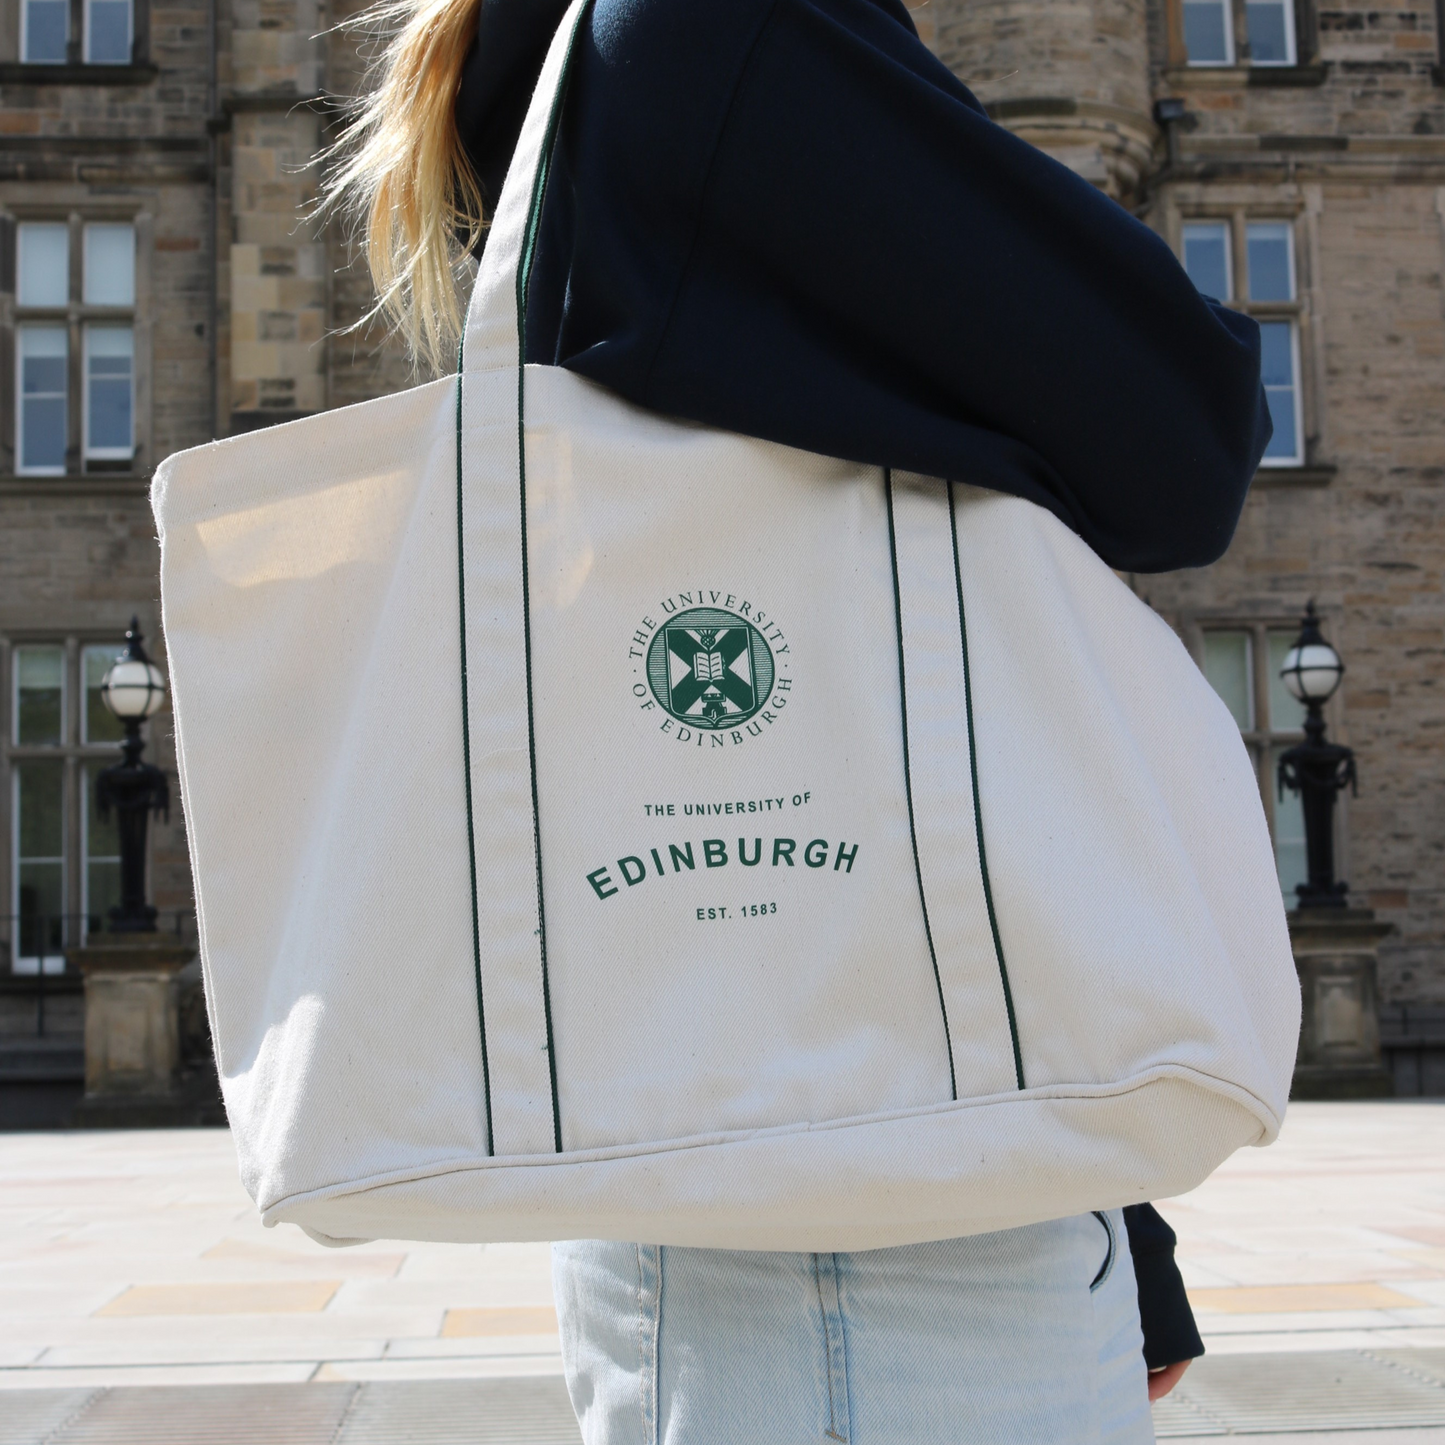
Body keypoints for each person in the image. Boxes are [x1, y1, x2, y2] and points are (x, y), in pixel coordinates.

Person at [323, 0, 1270, 1437]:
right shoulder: (728, 28)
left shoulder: (595, 52)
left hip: (775, 1160)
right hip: (871, 1267)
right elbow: (1180, 437)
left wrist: (1103, 1203)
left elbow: (847, 725)